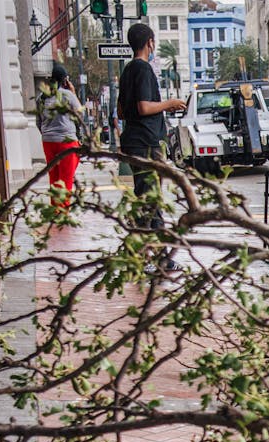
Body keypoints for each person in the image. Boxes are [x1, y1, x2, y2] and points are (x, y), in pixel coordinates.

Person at [117, 23, 186, 269]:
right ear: (150, 42)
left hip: (133, 141)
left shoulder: (127, 71)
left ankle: (156, 255)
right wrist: (170, 103)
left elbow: (121, 111)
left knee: (147, 198)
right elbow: (144, 107)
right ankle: (150, 258)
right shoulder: (143, 69)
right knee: (150, 199)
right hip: (146, 142)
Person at [37, 63, 83, 209]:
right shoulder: (67, 95)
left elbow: (39, 121)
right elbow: (80, 114)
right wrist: (73, 92)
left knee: (54, 177)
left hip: (48, 142)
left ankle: (55, 209)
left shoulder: (41, 97)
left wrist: (47, 133)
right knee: (66, 178)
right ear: (65, 80)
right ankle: (63, 211)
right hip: (66, 141)